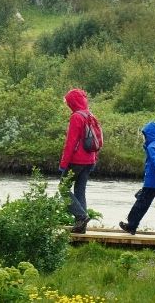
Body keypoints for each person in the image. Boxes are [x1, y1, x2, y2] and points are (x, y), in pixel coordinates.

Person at [59, 88, 101, 234]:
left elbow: (70, 143)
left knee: (63, 189)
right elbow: (99, 140)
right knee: (79, 190)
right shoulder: (91, 115)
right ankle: (81, 224)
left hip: (76, 161)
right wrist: (94, 158)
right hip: (90, 160)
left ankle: (81, 216)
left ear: (72, 102)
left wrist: (64, 164)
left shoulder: (76, 117)